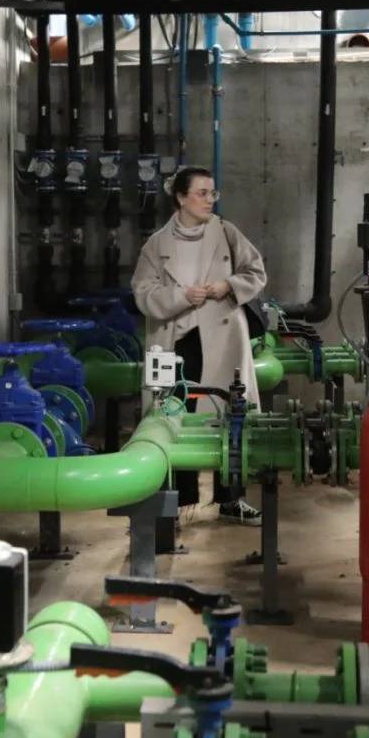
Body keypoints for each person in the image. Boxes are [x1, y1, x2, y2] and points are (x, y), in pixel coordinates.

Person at [132, 166, 267, 525]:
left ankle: (231, 499)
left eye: (212, 193)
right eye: (202, 193)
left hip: (222, 337)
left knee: (230, 413)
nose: (210, 199)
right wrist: (180, 296)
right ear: (180, 197)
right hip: (175, 338)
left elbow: (256, 272)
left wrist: (228, 287)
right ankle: (177, 502)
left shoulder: (226, 232)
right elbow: (142, 293)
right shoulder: (157, 244)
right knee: (172, 415)